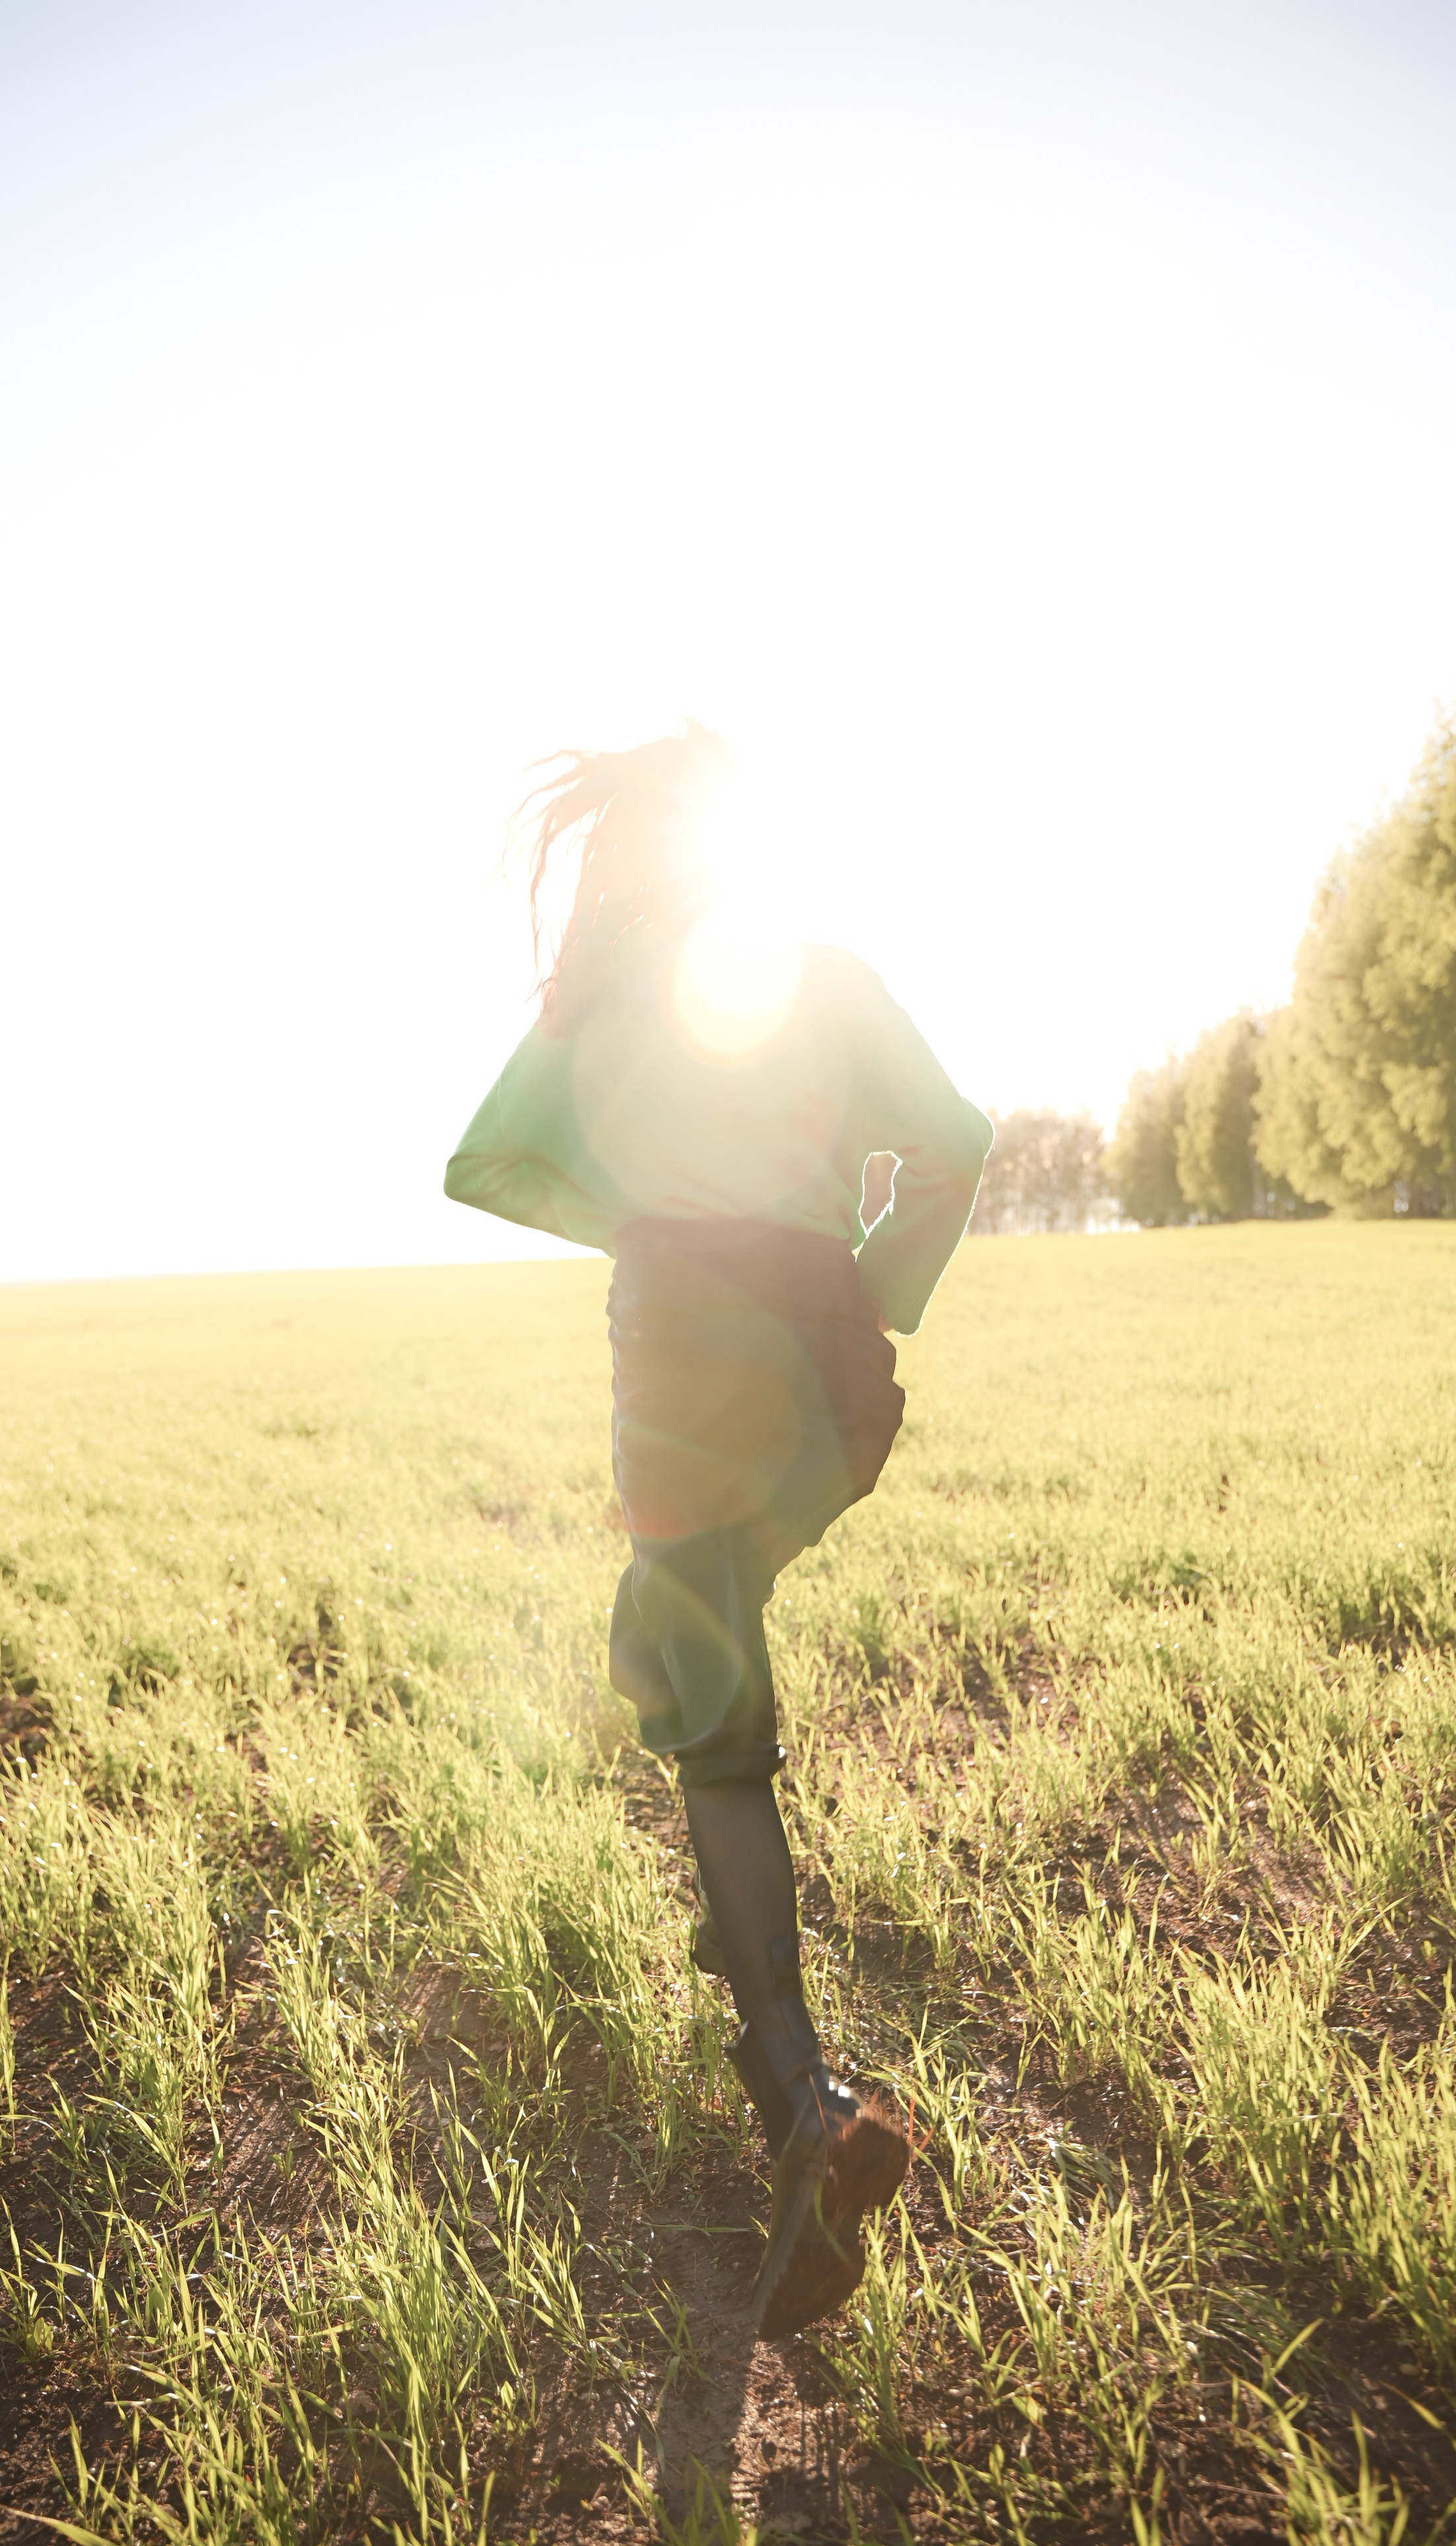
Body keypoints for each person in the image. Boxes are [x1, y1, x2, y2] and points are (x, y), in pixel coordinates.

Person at [444, 725, 992, 2338]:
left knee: (710, 1730)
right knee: (722, 1633)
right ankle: (752, 1979)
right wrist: (859, 1270)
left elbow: (481, 1163)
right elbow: (952, 1144)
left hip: (678, 1353)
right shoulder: (824, 971)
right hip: (826, 1373)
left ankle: (803, 2097)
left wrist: (632, 1194)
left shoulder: (596, 1011)